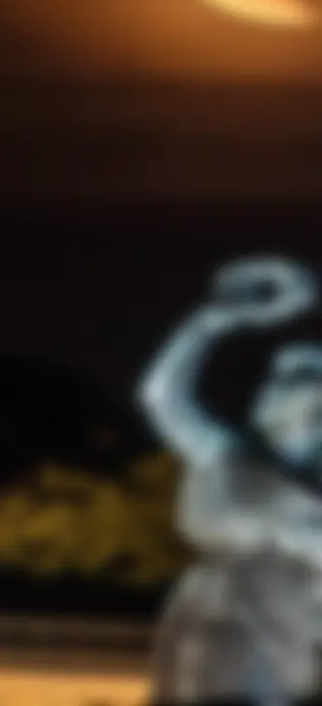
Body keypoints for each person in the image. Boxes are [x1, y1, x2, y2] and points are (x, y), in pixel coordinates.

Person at [137, 256, 322, 705]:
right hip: (218, 607)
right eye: (278, 378)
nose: (275, 388)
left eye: (298, 378)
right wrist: (212, 320)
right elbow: (161, 395)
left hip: (296, 625)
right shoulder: (226, 453)